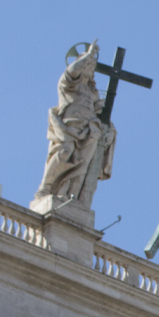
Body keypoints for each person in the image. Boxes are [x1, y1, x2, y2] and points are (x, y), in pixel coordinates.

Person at [33, 42, 115, 210]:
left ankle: (72, 198)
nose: (90, 67)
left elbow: (103, 115)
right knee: (64, 152)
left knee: (83, 165)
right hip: (69, 129)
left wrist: (110, 131)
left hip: (89, 131)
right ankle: (46, 187)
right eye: (87, 64)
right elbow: (72, 71)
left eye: (92, 65)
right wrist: (89, 55)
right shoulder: (68, 85)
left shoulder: (92, 93)